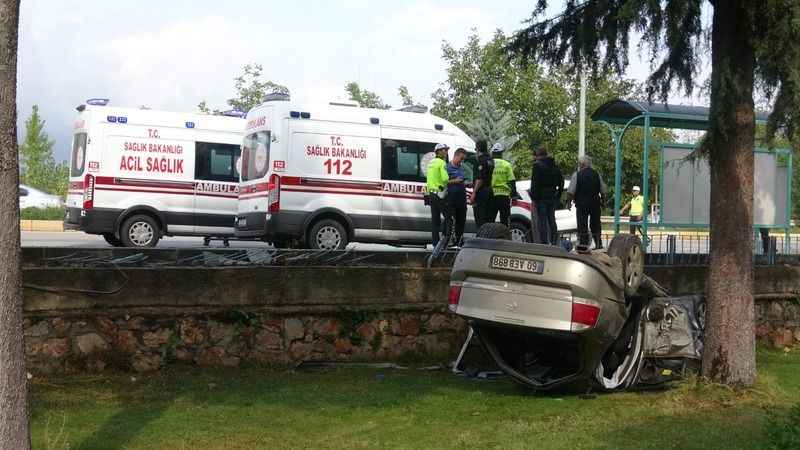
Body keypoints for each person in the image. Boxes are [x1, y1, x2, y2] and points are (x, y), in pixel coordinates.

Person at [566, 155, 607, 250]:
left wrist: (569, 203)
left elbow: (570, 191)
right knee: (596, 224)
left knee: (582, 224)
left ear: (582, 164)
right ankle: (598, 243)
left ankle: (583, 244)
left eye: (579, 163)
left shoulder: (577, 175)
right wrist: (604, 202)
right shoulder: (597, 174)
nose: (579, 165)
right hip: (595, 204)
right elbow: (603, 190)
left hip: (581, 204)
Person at [530, 145, 564, 245]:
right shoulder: (554, 165)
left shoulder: (537, 165)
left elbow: (535, 183)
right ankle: (554, 241)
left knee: (542, 221)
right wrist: (558, 195)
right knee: (552, 219)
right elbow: (561, 182)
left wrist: (534, 198)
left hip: (541, 198)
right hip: (552, 197)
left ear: (538, 154)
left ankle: (544, 242)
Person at [488, 143, 520, 227]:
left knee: (490, 219)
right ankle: (504, 238)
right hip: (504, 196)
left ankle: (489, 238)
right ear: (501, 153)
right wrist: (514, 195)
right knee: (504, 220)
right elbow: (512, 181)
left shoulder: (489, 164)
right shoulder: (506, 164)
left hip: (492, 195)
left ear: (493, 153)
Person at [426, 143, 450, 247]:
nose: (446, 152)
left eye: (446, 150)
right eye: (444, 150)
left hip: (431, 194)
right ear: (438, 152)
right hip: (440, 194)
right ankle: (445, 242)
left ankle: (435, 244)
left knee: (435, 221)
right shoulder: (442, 163)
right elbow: (445, 179)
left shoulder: (431, 163)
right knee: (449, 218)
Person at [446, 148, 469, 247]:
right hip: (451, 198)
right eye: (461, 158)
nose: (462, 161)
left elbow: (462, 180)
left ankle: (459, 240)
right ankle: (448, 240)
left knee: (461, 219)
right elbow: (443, 182)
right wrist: (455, 181)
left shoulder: (461, 168)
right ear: (455, 156)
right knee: (450, 220)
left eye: (464, 159)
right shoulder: (447, 167)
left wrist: (467, 184)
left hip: (461, 198)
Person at [469, 139, 494, 228]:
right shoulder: (490, 159)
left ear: (478, 149)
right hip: (490, 191)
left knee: (480, 220)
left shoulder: (480, 160)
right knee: (488, 220)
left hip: (481, 193)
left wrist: (474, 193)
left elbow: (480, 179)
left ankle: (481, 240)